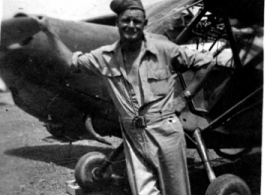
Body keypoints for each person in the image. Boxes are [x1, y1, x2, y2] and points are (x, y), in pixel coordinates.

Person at [33, 0, 214, 194]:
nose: (131, 26)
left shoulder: (163, 47)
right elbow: (72, 62)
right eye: (125, 20)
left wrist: (184, 98)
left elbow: (207, 63)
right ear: (118, 24)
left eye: (137, 21)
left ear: (144, 25)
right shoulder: (105, 56)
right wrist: (49, 31)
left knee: (176, 191)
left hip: (165, 130)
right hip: (133, 134)